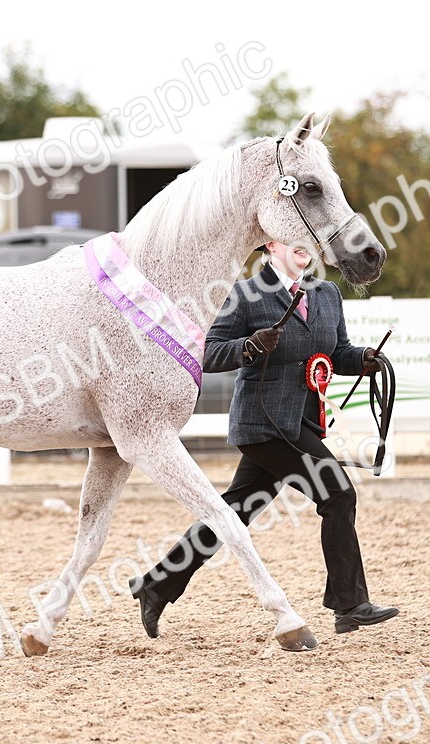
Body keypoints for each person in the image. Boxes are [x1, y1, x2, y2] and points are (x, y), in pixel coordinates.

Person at [129, 241, 398, 639]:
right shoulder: (244, 296)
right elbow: (207, 353)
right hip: (263, 426)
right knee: (338, 495)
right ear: (272, 246)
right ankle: (349, 605)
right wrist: (249, 346)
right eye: (294, 239)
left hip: (300, 422)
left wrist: (364, 359)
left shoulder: (326, 294)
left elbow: (336, 352)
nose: (305, 247)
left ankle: (157, 585)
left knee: (232, 512)